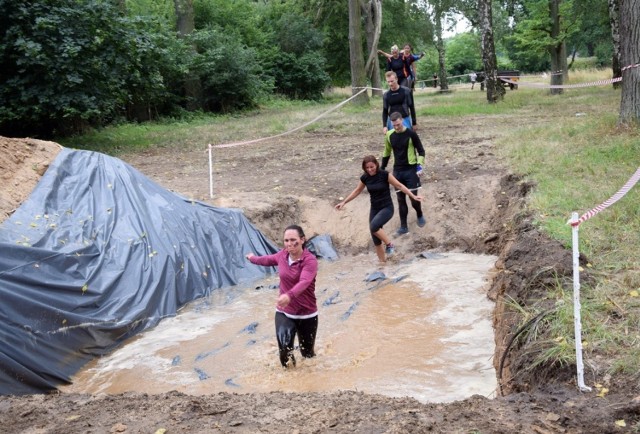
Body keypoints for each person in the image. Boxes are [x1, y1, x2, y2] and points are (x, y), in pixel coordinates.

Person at [245, 225, 318, 368]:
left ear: (302, 240)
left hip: (307, 314)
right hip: (285, 312)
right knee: (285, 351)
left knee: (308, 354)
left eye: (293, 240)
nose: (289, 244)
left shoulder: (310, 261)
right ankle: (290, 385)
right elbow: (266, 260)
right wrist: (252, 258)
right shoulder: (282, 255)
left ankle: (308, 382)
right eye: (286, 241)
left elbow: (304, 282)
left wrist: (289, 295)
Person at [335, 156, 423, 263]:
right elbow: (357, 191)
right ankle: (382, 264)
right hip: (375, 209)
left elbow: (399, 185)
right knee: (376, 239)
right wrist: (344, 202)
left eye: (371, 167)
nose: (369, 170)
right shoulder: (365, 178)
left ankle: (390, 245)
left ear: (376, 165)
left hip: (387, 208)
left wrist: (413, 196)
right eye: (367, 168)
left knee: (373, 226)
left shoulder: (384, 175)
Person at [382, 111, 426, 235]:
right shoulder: (389, 135)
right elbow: (387, 152)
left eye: (398, 125)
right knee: (401, 199)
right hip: (398, 171)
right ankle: (403, 226)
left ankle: (419, 214)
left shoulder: (411, 133)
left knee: (413, 198)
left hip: (411, 170)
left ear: (402, 120)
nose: (396, 127)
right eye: (394, 125)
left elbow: (421, 151)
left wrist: (419, 166)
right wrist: (382, 167)